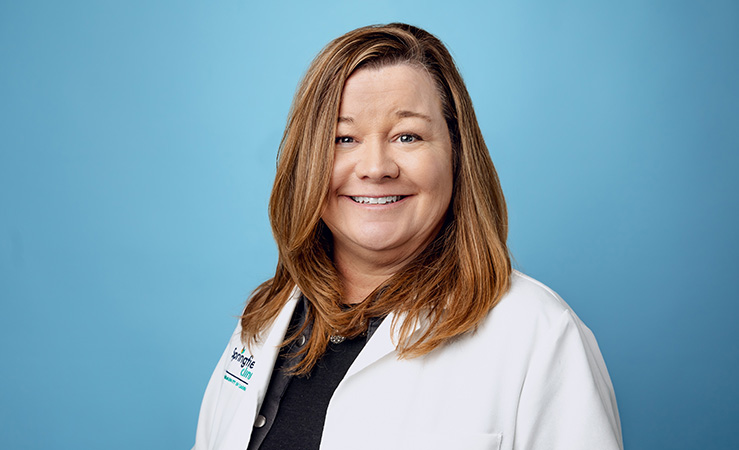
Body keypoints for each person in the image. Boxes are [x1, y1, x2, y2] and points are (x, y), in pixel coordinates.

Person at [192, 23, 622, 450]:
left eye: (407, 136)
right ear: (307, 161)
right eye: (344, 138)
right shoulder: (267, 317)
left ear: (456, 152)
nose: (376, 167)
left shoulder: (539, 334)